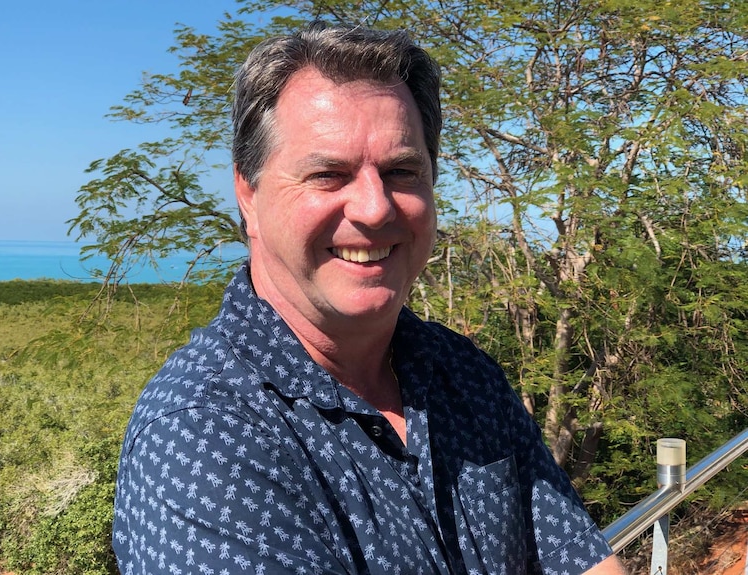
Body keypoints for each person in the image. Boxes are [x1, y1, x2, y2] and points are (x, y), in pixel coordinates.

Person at [112, 21, 627, 575]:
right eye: (328, 174)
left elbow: (582, 560)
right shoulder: (204, 438)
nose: (375, 208)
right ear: (249, 195)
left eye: (401, 171)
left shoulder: (465, 375)